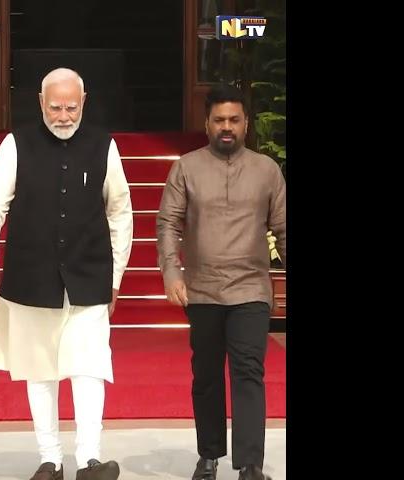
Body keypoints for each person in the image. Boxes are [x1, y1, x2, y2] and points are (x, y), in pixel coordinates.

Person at [0, 67, 133, 480]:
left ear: (84, 103)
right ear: (42, 103)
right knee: (39, 369)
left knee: (88, 367)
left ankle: (89, 460)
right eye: (56, 107)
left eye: (72, 107)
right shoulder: (16, 144)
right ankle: (50, 459)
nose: (64, 115)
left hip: (89, 273)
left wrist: (114, 277)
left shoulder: (103, 145)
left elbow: (120, 212)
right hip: (31, 274)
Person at [156, 84, 286, 480]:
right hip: (204, 289)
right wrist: (171, 272)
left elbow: (282, 227)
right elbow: (168, 223)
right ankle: (208, 456)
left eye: (233, 120)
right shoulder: (187, 167)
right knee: (208, 373)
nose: (226, 127)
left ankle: (250, 465)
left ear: (245, 123)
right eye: (219, 120)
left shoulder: (267, 170)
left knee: (248, 371)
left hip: (250, 288)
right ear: (207, 124)